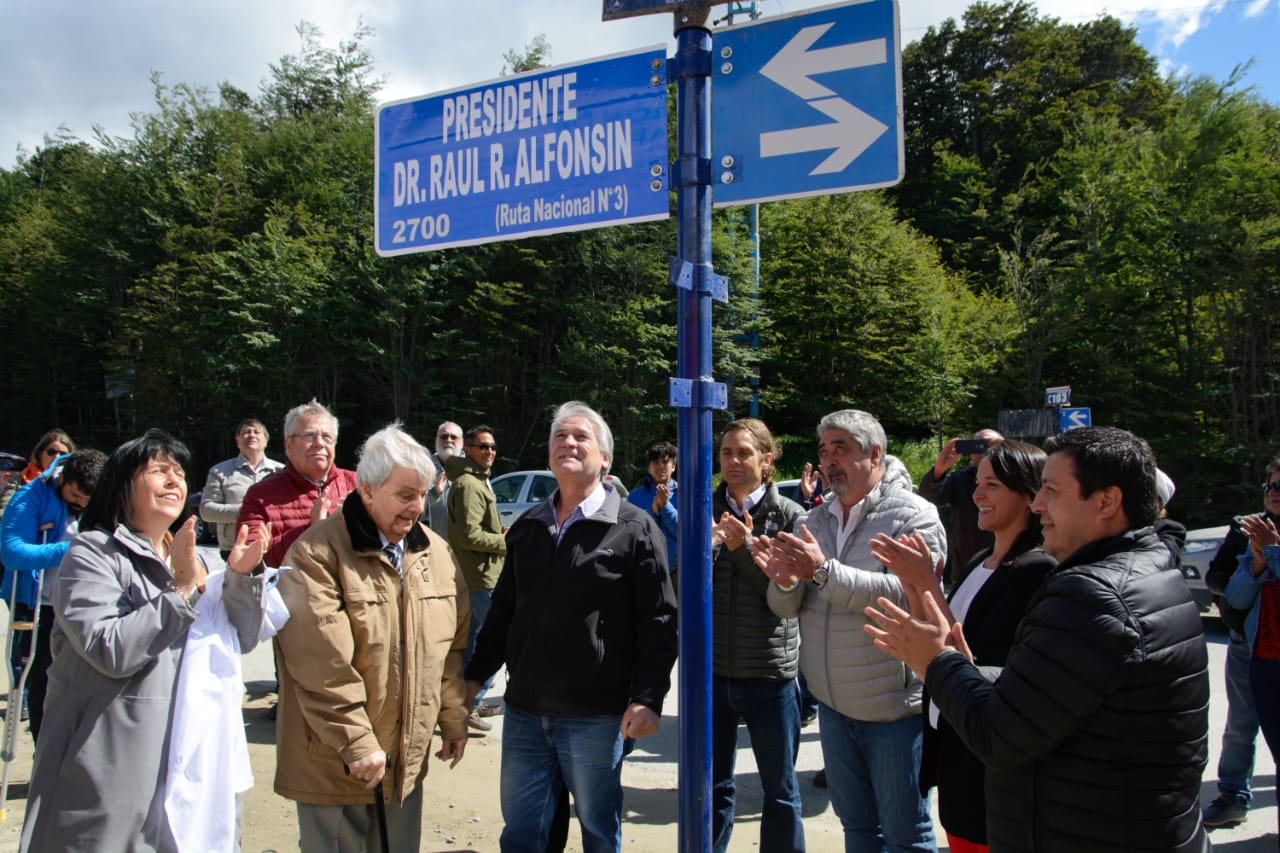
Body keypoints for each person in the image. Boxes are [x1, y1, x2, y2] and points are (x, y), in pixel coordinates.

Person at [865, 426, 1209, 853]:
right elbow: (1042, 692)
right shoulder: (1143, 570)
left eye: (1050, 491)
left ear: (1107, 502)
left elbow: (1002, 732)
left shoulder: (1092, 594)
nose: (1039, 503)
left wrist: (937, 662)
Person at [19, 429, 271, 852]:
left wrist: (243, 576)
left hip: (190, 764)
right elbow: (109, 648)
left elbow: (241, 639)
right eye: (159, 471)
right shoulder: (91, 554)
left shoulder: (197, 556)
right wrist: (182, 591)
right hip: (110, 766)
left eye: (179, 473)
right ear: (122, 486)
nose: (175, 481)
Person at [465, 401, 678, 853]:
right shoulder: (528, 527)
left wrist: (647, 698)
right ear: (549, 457)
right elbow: (504, 613)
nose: (568, 442)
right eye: (560, 436)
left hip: (596, 716)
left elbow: (659, 621)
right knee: (524, 834)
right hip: (524, 712)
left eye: (581, 437)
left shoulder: (634, 529)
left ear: (605, 460)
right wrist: (473, 677)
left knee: (599, 833)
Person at [273, 423, 470, 853]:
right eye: (404, 495)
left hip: (404, 768)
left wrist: (453, 717)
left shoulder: (436, 553)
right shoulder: (316, 554)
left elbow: (449, 650)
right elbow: (321, 665)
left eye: (422, 494)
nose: (417, 507)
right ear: (366, 490)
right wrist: (357, 742)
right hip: (337, 765)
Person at [754, 409, 943, 853]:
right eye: (824, 451)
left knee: (906, 836)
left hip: (894, 711)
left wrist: (821, 572)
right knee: (857, 830)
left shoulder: (914, 516)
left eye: (841, 448)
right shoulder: (812, 521)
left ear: (875, 454)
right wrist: (783, 581)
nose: (829, 460)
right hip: (834, 709)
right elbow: (786, 607)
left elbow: (908, 595)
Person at [869, 441, 1055, 853]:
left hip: (986, 756)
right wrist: (916, 590)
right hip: (954, 739)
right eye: (977, 482)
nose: (976, 495)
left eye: (991, 484)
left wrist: (929, 585)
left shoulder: (1037, 570)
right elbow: (943, 635)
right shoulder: (979, 560)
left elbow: (972, 660)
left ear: (1028, 493)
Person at [708, 419, 805, 853]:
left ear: (767, 460)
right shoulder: (703, 509)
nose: (732, 461)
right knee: (711, 788)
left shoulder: (788, 517)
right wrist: (705, 550)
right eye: (726, 452)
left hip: (769, 675)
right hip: (711, 673)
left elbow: (784, 598)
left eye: (743, 453)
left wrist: (742, 548)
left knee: (780, 792)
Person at [0, 448, 106, 741]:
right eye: (75, 496)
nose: (81, 504)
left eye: (88, 501)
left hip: (86, 602)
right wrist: (73, 549)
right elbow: (12, 552)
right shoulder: (30, 496)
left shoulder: (100, 493)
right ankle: (43, 757)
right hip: (42, 603)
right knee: (43, 682)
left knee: (85, 680)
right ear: (63, 479)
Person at [1201, 458, 1279, 829]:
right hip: (1248, 644)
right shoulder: (1244, 528)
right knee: (1240, 725)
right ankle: (1233, 796)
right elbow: (1221, 580)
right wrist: (1256, 566)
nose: (1275, 493)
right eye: (1271, 486)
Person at [238, 399, 358, 569]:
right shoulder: (261, 495)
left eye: (327, 437)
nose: (319, 443)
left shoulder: (359, 485)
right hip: (291, 592)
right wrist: (311, 529)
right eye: (310, 436)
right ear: (289, 444)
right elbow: (249, 560)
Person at [446, 424, 506, 730]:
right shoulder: (469, 484)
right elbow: (469, 536)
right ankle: (472, 700)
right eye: (483, 446)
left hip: (476, 577)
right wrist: (504, 541)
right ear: (467, 449)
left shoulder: (474, 480)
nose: (489, 452)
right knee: (498, 640)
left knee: (471, 643)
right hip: (481, 578)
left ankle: (465, 702)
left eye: (493, 447)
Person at [918, 430, 1002, 584]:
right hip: (966, 564)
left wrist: (1005, 450)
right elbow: (928, 498)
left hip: (1005, 563)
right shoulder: (960, 479)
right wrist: (938, 471)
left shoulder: (1011, 477)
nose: (982, 451)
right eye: (976, 445)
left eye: (987, 445)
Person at [200, 418, 284, 562]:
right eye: (246, 432)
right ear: (237, 441)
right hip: (234, 549)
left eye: (257, 432)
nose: (251, 435)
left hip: (275, 546)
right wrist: (244, 512)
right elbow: (206, 510)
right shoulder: (220, 471)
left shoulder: (281, 471)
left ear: (266, 441)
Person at [627, 441, 679, 575]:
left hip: (677, 570)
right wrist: (653, 510)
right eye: (655, 462)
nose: (660, 466)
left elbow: (682, 532)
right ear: (649, 467)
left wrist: (665, 505)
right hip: (644, 568)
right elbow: (630, 534)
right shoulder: (634, 496)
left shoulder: (685, 495)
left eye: (665, 462)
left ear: (673, 466)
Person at [426, 421, 463, 539]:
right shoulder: (424, 468)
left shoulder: (474, 470)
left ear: (462, 442)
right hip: (433, 545)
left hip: (464, 550)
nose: (448, 440)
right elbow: (414, 505)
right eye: (444, 436)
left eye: (454, 437)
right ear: (436, 440)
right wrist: (434, 493)